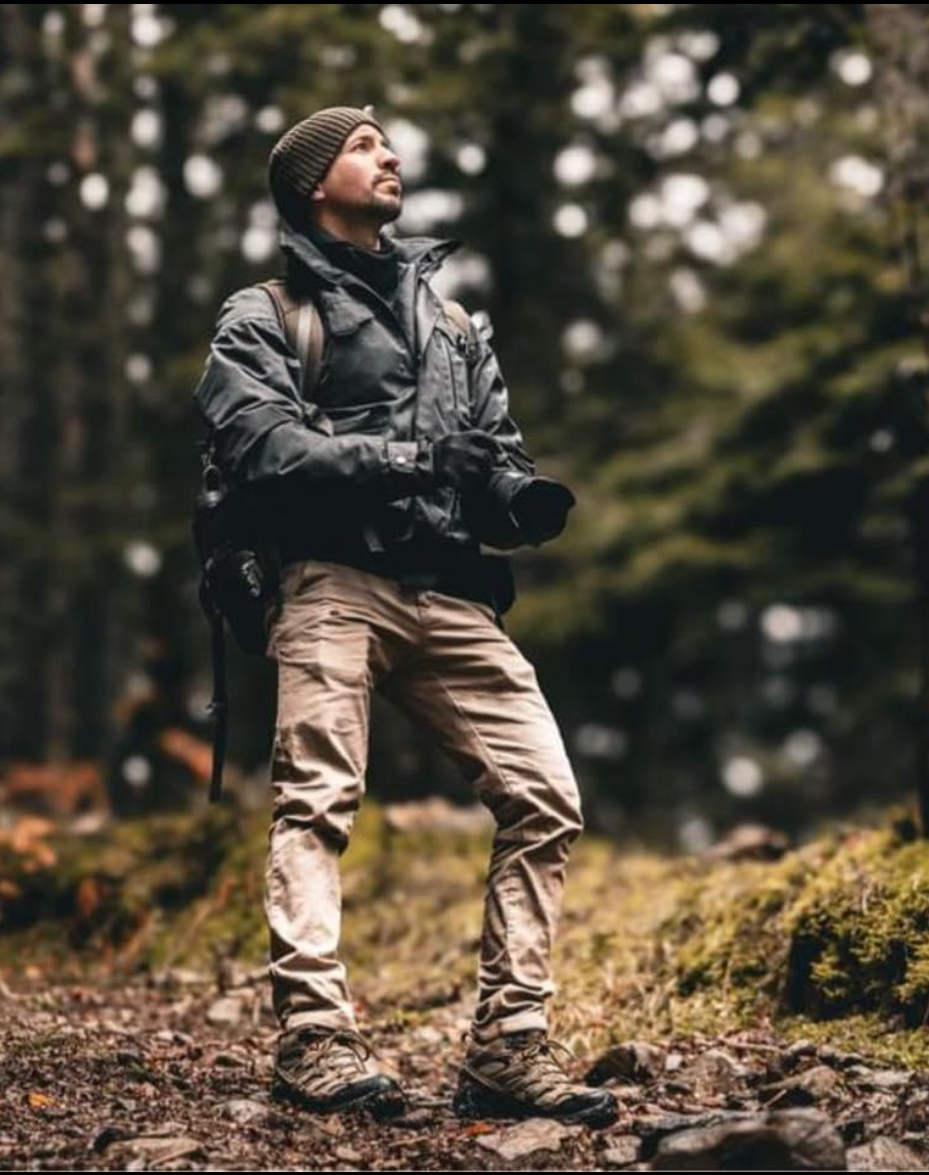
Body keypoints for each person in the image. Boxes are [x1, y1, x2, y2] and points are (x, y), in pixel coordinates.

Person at [192, 105, 618, 1129]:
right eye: (362, 145)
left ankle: (510, 1047)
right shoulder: (265, 314)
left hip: (450, 592)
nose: (389, 155)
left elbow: (492, 448)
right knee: (317, 802)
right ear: (313, 185)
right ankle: (314, 1037)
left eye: (387, 143)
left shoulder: (454, 324)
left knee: (546, 797)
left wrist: (510, 494)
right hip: (328, 582)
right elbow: (265, 448)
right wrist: (416, 459)